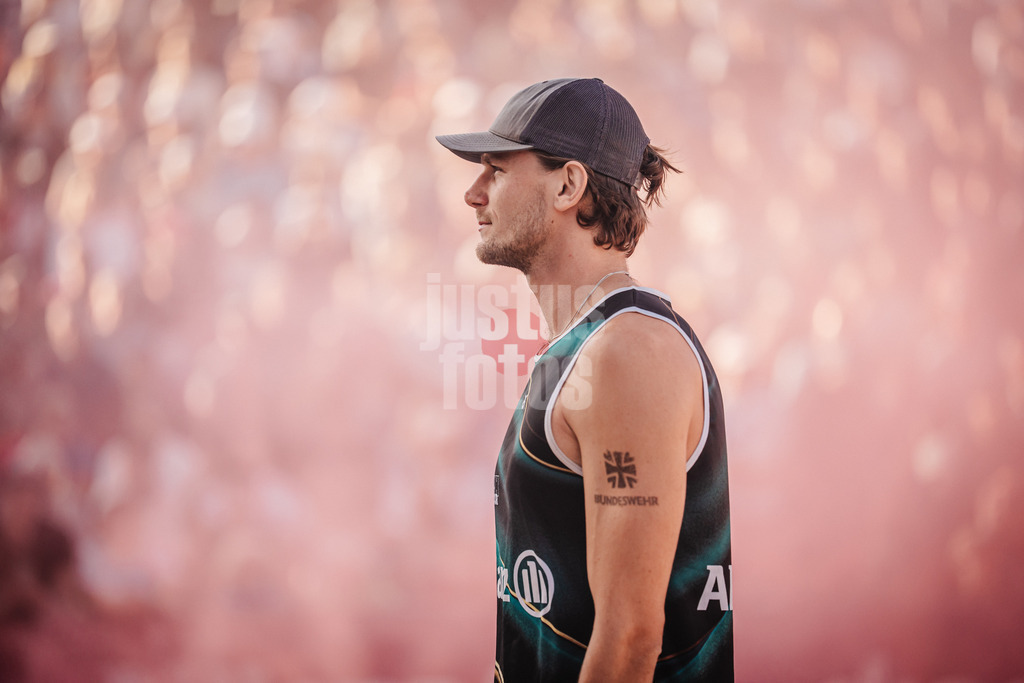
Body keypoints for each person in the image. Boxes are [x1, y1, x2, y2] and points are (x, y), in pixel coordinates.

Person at [436, 77, 733, 682]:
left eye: (495, 169)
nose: (472, 193)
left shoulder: (627, 352)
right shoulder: (591, 344)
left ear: (569, 185)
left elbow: (628, 640)